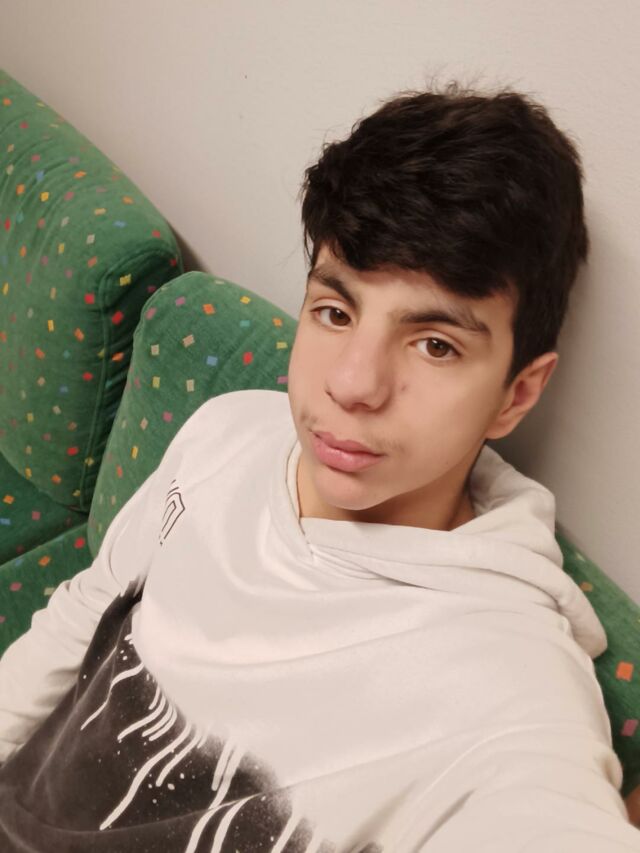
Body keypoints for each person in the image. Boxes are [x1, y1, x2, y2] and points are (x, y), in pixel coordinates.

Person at [0, 82, 638, 852]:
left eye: (435, 344)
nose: (352, 385)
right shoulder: (229, 429)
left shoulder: (509, 691)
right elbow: (89, 605)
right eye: (335, 312)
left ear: (517, 393)